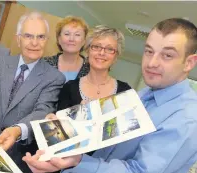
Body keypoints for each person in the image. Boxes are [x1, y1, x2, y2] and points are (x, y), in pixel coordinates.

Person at [23, 18, 197, 173]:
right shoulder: (142, 95)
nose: (152, 63)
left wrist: (78, 161)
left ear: (189, 62)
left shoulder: (187, 118)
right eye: (149, 51)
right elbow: (104, 139)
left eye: (167, 55)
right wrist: (63, 129)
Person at [0, 11, 65, 172]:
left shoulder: (54, 77)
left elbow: (43, 111)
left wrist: (17, 130)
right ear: (18, 39)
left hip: (16, 156)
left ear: (46, 41)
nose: (34, 43)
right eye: (28, 36)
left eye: (40, 37)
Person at [57, 25, 131, 110]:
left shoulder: (125, 91)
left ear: (116, 56)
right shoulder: (69, 88)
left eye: (109, 49)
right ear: (88, 51)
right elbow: (61, 121)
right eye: (96, 47)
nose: (102, 53)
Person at [44, 16, 89, 82]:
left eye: (77, 35)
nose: (71, 39)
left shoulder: (90, 69)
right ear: (59, 39)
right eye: (67, 34)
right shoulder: (45, 64)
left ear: (84, 41)